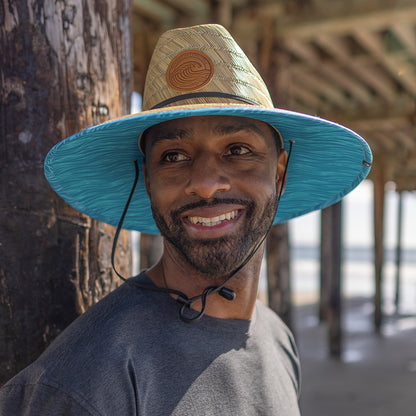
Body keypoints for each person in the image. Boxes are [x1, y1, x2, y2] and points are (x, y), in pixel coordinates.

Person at [0, 24, 372, 415]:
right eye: (174, 156)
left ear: (279, 173)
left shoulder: (275, 336)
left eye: (237, 149)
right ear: (148, 179)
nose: (207, 184)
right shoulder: (87, 381)